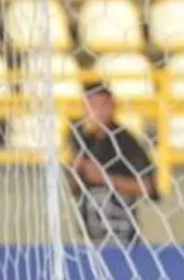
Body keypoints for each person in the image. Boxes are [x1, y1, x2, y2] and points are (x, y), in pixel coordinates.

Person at [66, 84, 158, 246]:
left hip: (121, 238)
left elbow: (148, 187)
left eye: (100, 105)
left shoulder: (126, 143)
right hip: (89, 239)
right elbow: (71, 189)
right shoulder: (83, 142)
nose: (95, 112)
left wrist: (105, 178)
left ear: (112, 107)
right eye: (90, 106)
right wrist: (76, 171)